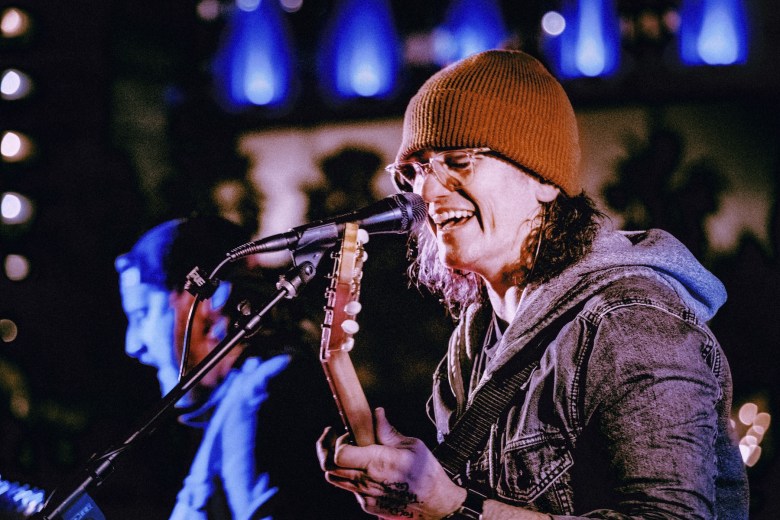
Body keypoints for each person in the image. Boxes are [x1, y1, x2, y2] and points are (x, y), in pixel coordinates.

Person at [316, 49, 749, 519]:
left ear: (543, 179)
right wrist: (409, 486)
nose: (426, 191)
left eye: (457, 160)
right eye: (418, 169)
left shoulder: (630, 324)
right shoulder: (476, 335)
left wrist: (456, 509)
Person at [116, 216, 361, 519]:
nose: (133, 344)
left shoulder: (260, 398)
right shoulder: (242, 402)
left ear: (207, 303)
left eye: (141, 315)